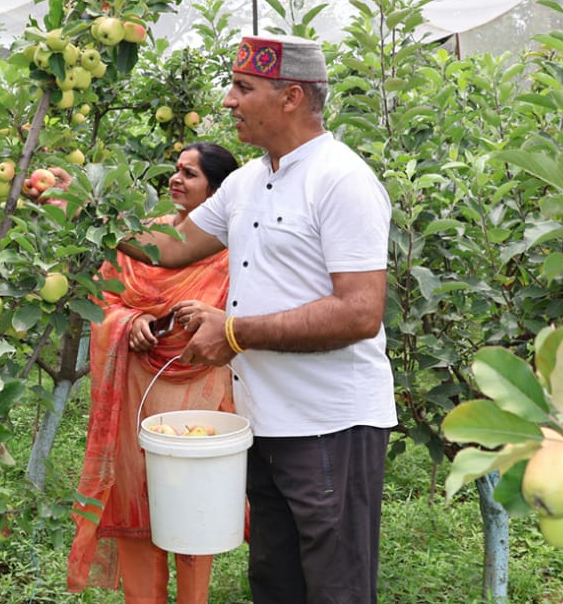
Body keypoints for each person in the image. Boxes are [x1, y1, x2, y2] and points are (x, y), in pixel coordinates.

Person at [120, 35, 395, 604]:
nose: (228, 101)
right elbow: (171, 247)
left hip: (330, 423)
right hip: (262, 424)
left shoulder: (341, 180)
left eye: (244, 88)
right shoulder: (247, 181)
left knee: (335, 587)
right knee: (276, 583)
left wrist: (236, 332)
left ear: (291, 96)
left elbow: (361, 312)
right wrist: (89, 212)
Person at [64, 141, 240, 604]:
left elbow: (235, 317)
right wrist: (132, 321)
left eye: (191, 174)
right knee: (137, 501)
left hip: (196, 389)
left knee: (191, 505)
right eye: (175, 170)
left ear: (218, 191)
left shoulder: (230, 251)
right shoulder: (148, 238)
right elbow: (105, 296)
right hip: (134, 392)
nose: (176, 179)